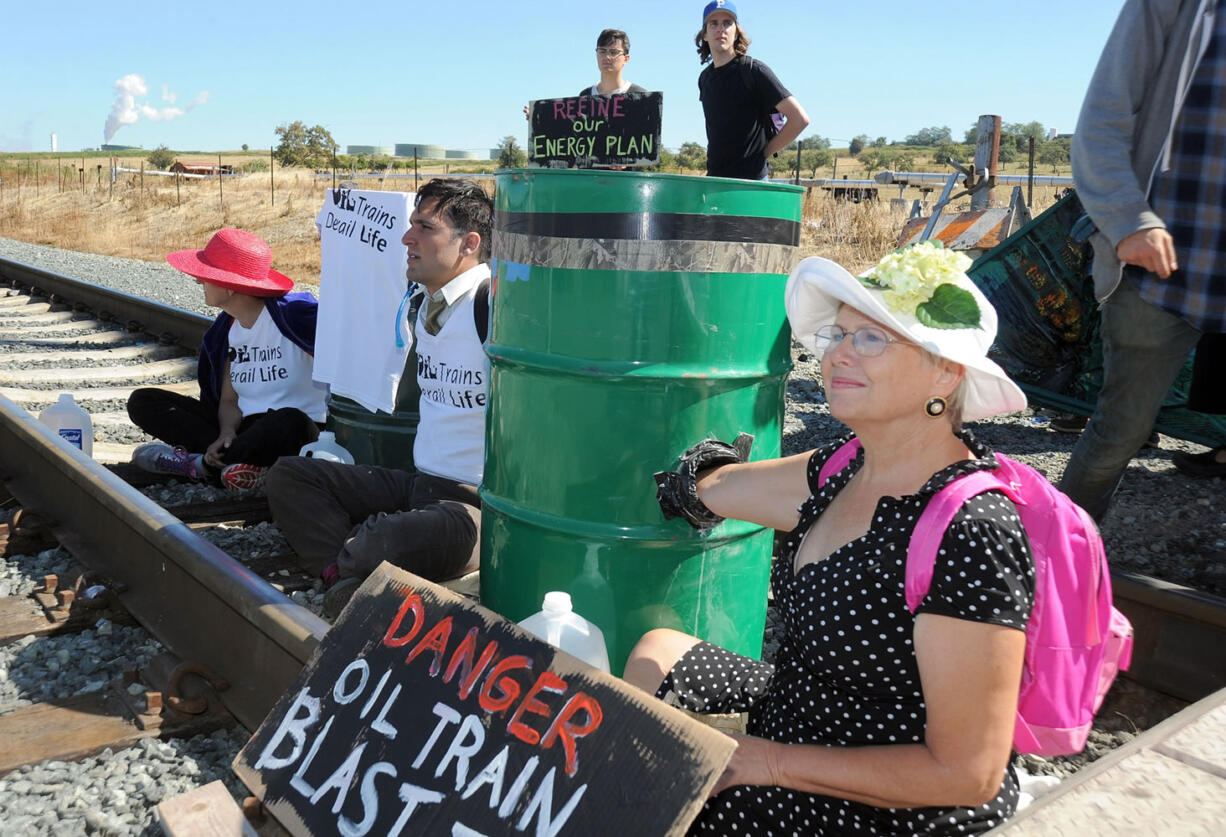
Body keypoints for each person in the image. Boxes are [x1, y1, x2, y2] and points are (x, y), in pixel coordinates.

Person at [626, 245, 1034, 835]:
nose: (837, 354)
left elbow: (967, 773)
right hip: (808, 707)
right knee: (657, 651)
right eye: (839, 335)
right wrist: (650, 472)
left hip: (885, 797)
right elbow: (719, 486)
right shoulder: (846, 467)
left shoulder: (973, 532)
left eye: (872, 339)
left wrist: (762, 760)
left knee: (660, 806)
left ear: (945, 372)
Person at [265, 178, 493, 617]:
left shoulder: (491, 306)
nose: (408, 238)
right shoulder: (427, 303)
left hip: (473, 506)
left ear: (469, 243)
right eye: (411, 225)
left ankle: (352, 568)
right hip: (420, 483)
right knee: (292, 476)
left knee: (387, 538)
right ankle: (345, 574)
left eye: (425, 228)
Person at [1060, 0, 1225, 518]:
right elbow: (1103, 118)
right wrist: (1128, 218)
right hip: (1164, 265)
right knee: (1120, 432)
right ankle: (1048, 562)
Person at [128, 228, 325, 492]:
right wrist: (226, 433)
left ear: (230, 286)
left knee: (290, 420)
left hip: (299, 431)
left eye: (206, 276)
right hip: (244, 431)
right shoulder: (226, 331)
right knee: (144, 401)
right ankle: (234, 466)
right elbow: (229, 400)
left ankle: (201, 467)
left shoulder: (295, 320)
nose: (198, 281)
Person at [695, 1, 809, 180]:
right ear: (705, 35)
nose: (721, 29)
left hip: (751, 182)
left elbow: (799, 119)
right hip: (715, 181)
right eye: (713, 23)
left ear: (736, 32)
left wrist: (762, 154)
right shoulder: (704, 79)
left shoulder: (754, 70)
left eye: (727, 23)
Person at [580, 29, 647, 98]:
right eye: (602, 51)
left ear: (626, 59)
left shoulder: (639, 95)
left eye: (613, 52)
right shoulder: (585, 96)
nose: (607, 57)